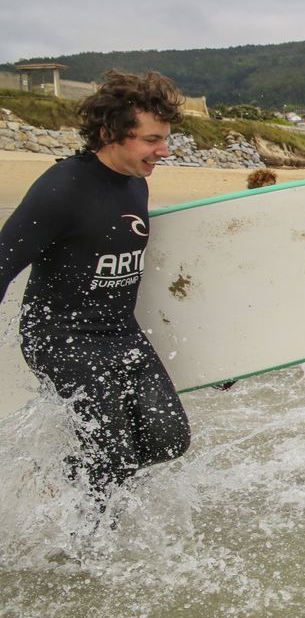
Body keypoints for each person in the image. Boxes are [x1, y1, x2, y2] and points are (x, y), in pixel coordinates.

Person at [0, 71, 192, 505]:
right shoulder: (61, 189)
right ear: (109, 133)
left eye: (165, 138)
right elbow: (3, 260)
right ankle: (87, 555)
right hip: (60, 337)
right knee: (112, 454)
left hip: (119, 332)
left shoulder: (136, 183)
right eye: (151, 140)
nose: (163, 150)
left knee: (169, 439)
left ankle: (64, 481)